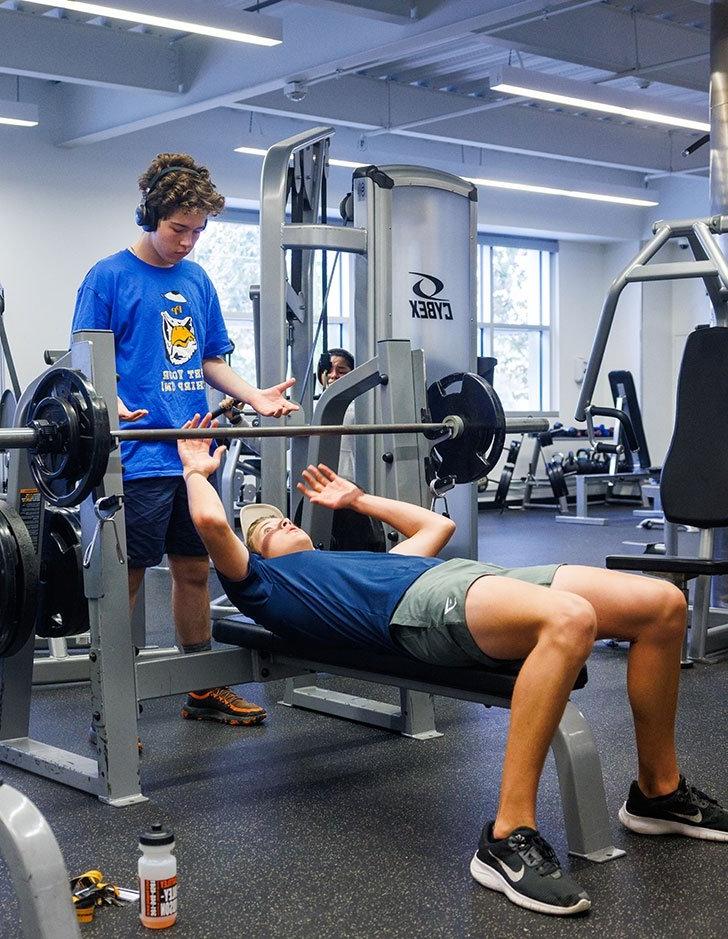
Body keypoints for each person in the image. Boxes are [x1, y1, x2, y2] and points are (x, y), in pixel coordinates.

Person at [177, 413, 727, 917]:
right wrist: (197, 471)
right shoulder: (265, 587)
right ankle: (506, 835)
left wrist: (358, 501)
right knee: (571, 620)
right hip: (416, 612)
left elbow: (434, 531)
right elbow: (209, 522)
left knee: (661, 606)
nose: (284, 526)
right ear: (254, 554)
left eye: (284, 521)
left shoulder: (350, 560)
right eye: (267, 530)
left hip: (467, 579)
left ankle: (658, 792)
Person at [71, 153, 300, 728]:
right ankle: (113, 704)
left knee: (195, 568)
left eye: (198, 231)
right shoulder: (108, 276)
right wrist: (111, 398)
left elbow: (209, 361)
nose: (189, 242)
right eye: (179, 229)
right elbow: (84, 360)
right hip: (138, 455)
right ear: (151, 216)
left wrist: (254, 397)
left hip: (194, 453)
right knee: (124, 579)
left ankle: (203, 687)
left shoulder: (197, 280)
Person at [315, 347, 355, 480]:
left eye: (341, 370)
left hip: (349, 480)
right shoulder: (313, 408)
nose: (333, 375)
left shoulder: (359, 409)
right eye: (329, 370)